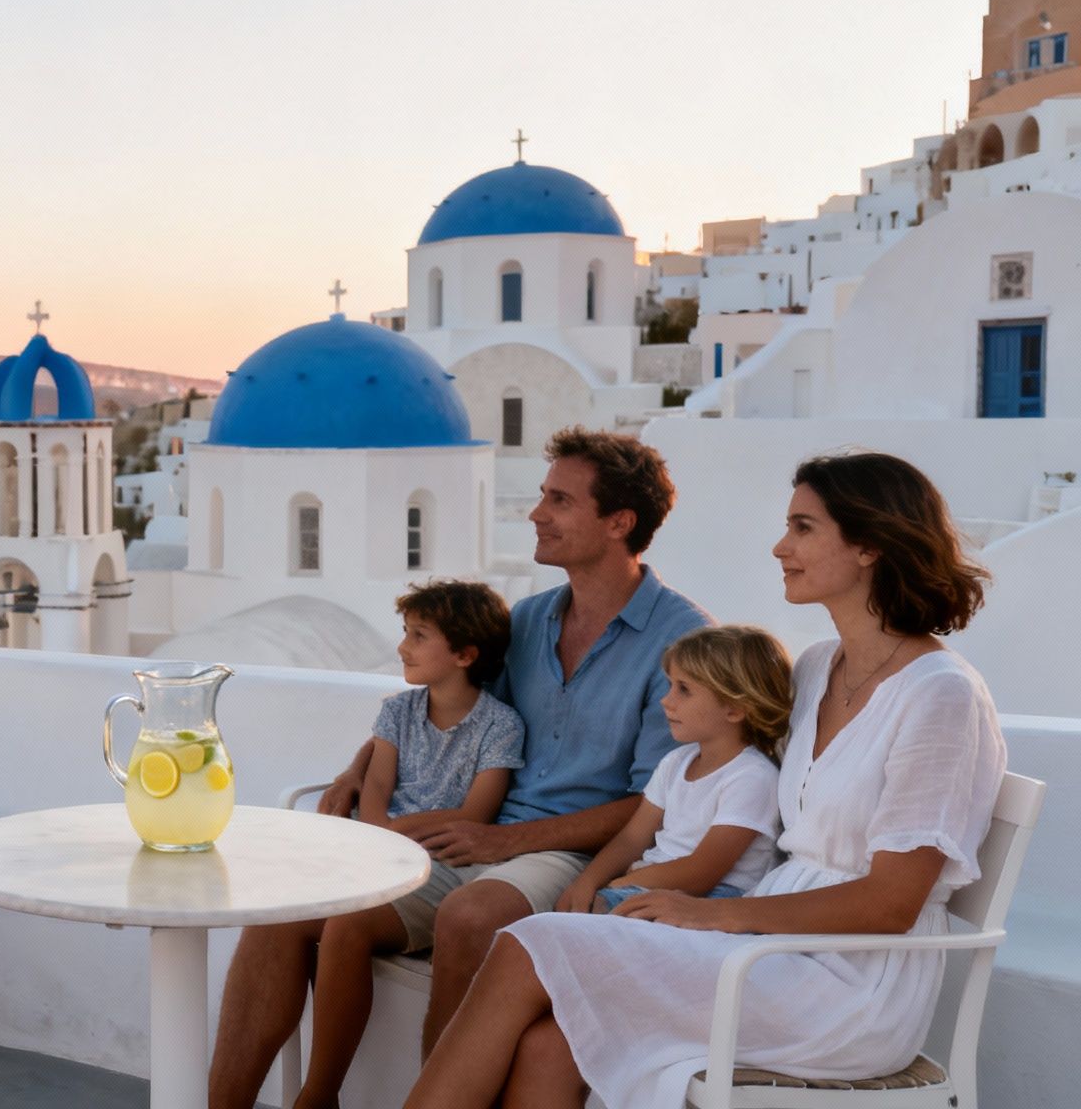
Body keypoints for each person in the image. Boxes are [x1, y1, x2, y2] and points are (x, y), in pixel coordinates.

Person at [404, 451, 1007, 1109]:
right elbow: (714, 780)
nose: (781, 546)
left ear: (868, 545)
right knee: (549, 1041)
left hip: (846, 980)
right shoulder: (814, 669)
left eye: (803, 528)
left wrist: (707, 912)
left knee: (533, 940)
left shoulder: (940, 695)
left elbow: (890, 904)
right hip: (763, 946)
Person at [209, 428, 711, 1109]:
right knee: (287, 910)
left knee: (473, 915)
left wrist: (506, 841)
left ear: (619, 523)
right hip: (472, 833)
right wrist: (359, 767)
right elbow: (447, 702)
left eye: (559, 500)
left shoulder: (681, 641)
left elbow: (655, 802)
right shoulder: (529, 620)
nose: (536, 513)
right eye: (541, 495)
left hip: (572, 848)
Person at [286, 581, 524, 1107]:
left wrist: (393, 835)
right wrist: (381, 837)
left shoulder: (500, 727)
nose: (403, 647)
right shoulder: (396, 712)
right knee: (283, 911)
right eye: (406, 632)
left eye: (419, 635)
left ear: (465, 654)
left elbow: (473, 816)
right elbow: (376, 789)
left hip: (443, 865)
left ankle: (318, 1094)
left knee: (346, 923)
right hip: (381, 853)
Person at [555, 625, 790, 917]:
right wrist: (586, 882)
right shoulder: (676, 762)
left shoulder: (751, 777)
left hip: (709, 899)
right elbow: (632, 837)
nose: (666, 700)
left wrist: (621, 883)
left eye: (684, 690)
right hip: (649, 882)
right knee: (568, 908)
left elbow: (701, 872)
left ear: (734, 709)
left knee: (587, 919)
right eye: (670, 685)